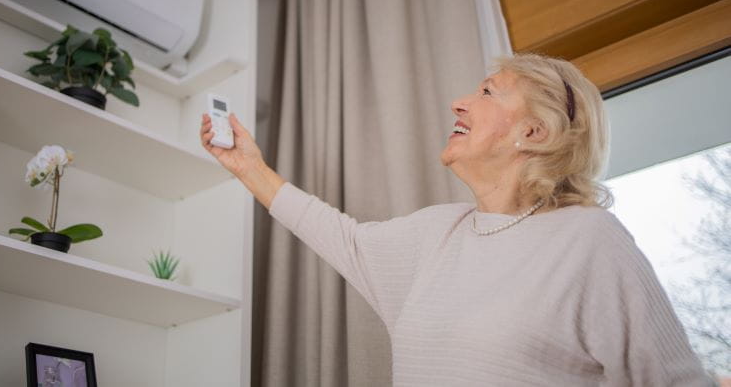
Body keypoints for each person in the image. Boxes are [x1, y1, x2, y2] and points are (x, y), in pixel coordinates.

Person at [200, 53, 712, 386]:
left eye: (488, 92)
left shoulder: (589, 240)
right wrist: (250, 168)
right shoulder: (437, 233)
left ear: (533, 133)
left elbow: (671, 380)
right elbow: (343, 238)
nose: (460, 102)